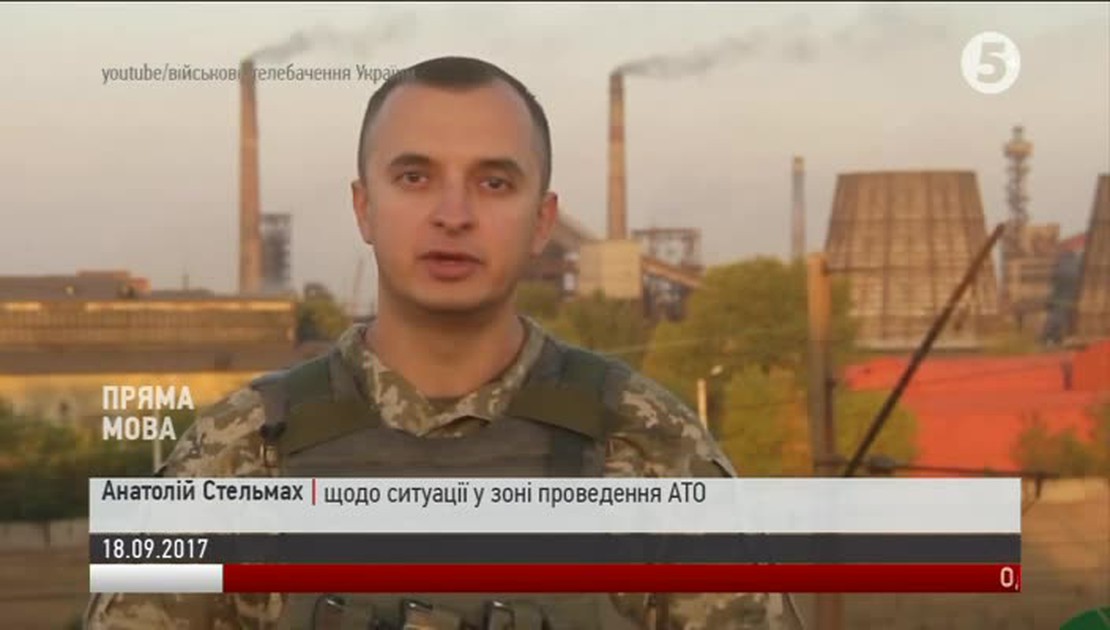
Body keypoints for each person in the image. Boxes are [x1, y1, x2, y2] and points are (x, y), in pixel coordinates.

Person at [85, 56, 798, 630]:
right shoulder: (236, 456)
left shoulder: (651, 448)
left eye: (494, 182)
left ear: (543, 220)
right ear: (364, 206)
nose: (453, 214)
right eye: (415, 177)